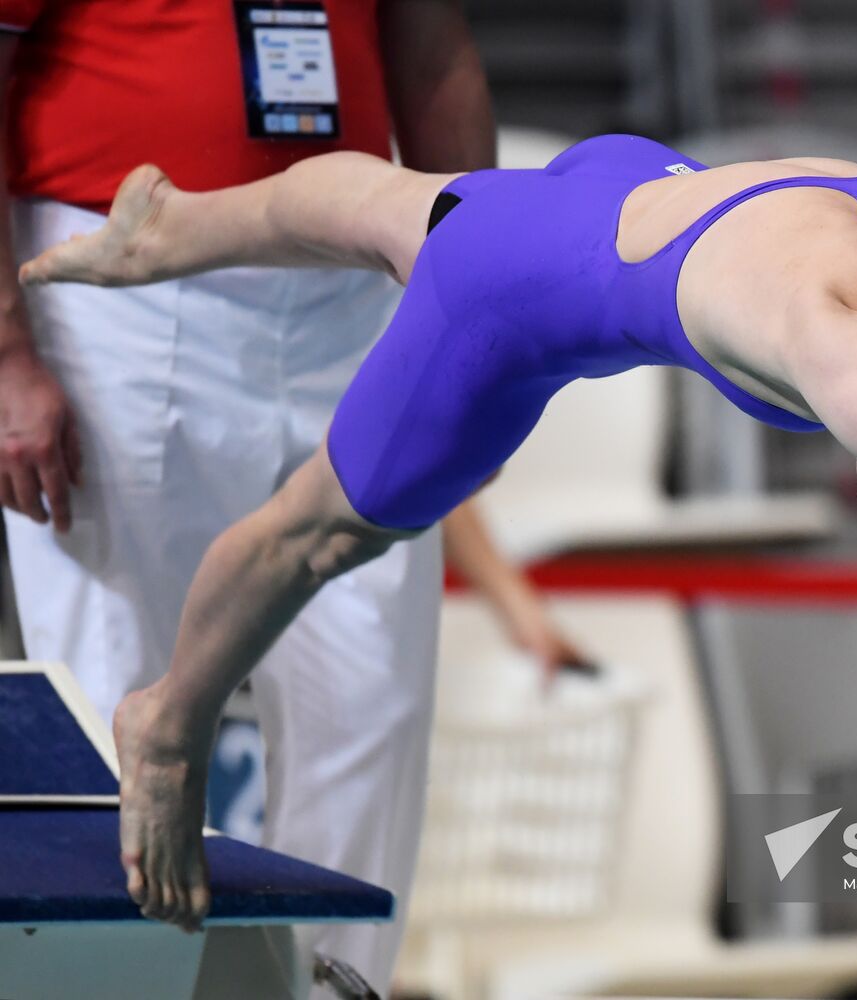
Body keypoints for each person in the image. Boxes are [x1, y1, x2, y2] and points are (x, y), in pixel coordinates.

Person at [21, 133, 857, 931]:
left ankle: (181, 227)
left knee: (400, 207)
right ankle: (169, 720)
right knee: (323, 530)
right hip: (516, 292)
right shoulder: (835, 343)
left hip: (632, 174)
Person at [0, 4, 578, 988]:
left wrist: (487, 346)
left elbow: (435, 55)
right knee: (114, 696)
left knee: (372, 703)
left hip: (347, 287)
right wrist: (7, 345)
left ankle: (331, 986)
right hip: (115, 280)